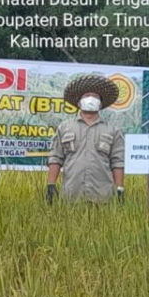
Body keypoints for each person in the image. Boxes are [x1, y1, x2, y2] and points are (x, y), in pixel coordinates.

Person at [47, 74, 125, 203]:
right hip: (71, 196)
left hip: (103, 197)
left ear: (100, 104)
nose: (90, 99)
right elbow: (56, 158)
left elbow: (118, 163)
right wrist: (51, 185)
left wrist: (120, 189)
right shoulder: (65, 128)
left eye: (95, 97)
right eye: (86, 96)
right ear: (78, 102)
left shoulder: (112, 131)